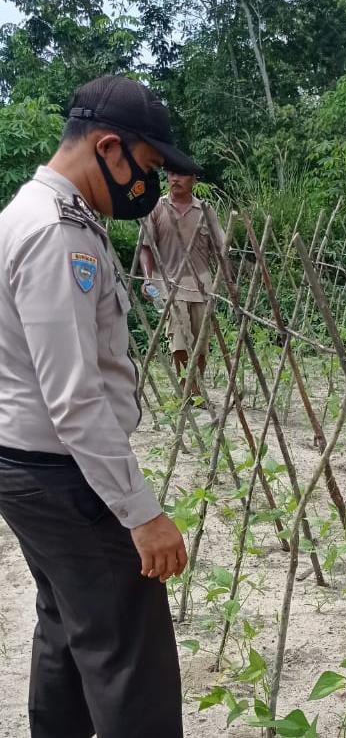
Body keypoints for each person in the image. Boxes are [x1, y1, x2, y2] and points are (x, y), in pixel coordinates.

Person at [0, 75, 200, 738]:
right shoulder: (57, 235)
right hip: (60, 472)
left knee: (69, 622)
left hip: (30, 466)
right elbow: (74, 399)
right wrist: (142, 513)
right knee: (127, 647)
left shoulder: (33, 215)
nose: (146, 189)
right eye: (145, 170)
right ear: (107, 147)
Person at [139, 169, 225, 401]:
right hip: (168, 284)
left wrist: (229, 281)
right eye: (171, 174)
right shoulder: (156, 208)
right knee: (180, 337)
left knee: (200, 341)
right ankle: (186, 389)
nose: (175, 179)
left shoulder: (205, 211)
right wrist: (147, 279)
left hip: (201, 285)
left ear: (194, 179)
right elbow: (146, 248)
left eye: (182, 175)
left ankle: (195, 388)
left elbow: (221, 249)